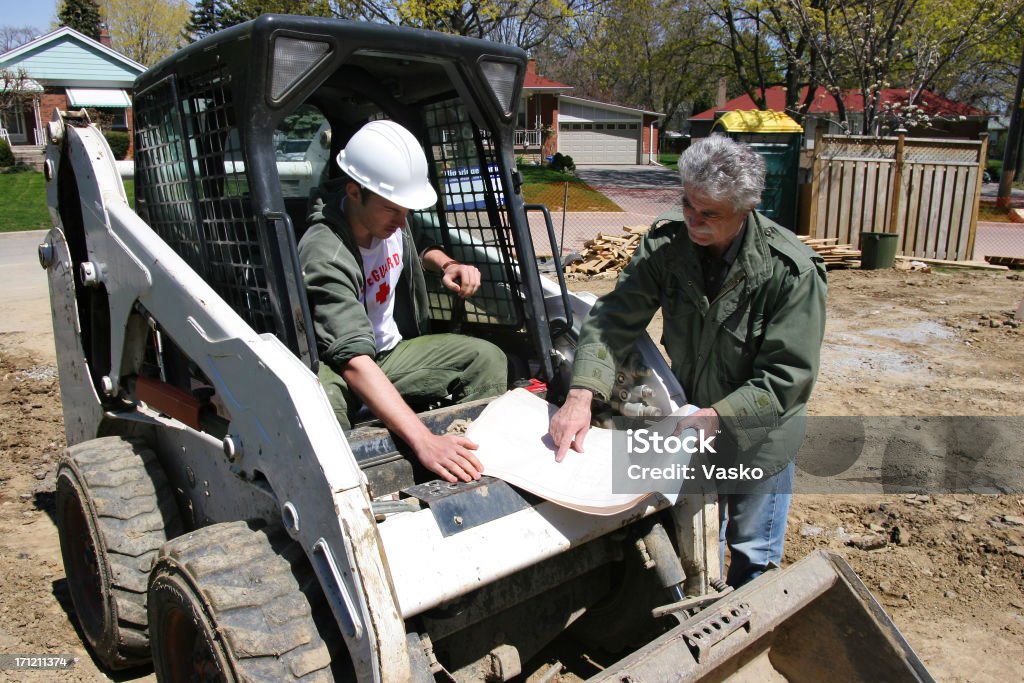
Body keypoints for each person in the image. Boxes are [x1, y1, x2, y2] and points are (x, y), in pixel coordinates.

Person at [548, 135, 827, 586]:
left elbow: (787, 377)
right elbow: (613, 320)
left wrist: (720, 416)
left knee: (753, 553)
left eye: (709, 214)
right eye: (688, 204)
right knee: (697, 541)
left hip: (760, 431)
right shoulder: (669, 244)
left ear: (745, 209)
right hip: (691, 423)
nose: (693, 220)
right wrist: (582, 394)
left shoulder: (790, 271)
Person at [299, 120, 507, 484]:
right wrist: (424, 441)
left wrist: (447, 264)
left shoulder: (390, 220)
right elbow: (351, 359)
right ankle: (360, 488)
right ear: (353, 192)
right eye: (392, 209)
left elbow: (419, 243)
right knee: (320, 412)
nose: (402, 220)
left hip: (390, 353)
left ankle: (471, 460)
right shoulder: (325, 251)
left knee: (487, 359)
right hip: (341, 367)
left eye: (406, 210)